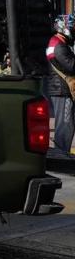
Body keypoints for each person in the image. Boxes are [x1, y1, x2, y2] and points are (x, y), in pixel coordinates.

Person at [45, 14, 75, 157]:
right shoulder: (59, 46)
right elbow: (71, 66)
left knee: (64, 124)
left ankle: (61, 155)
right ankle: (62, 157)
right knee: (65, 125)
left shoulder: (56, 43)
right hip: (62, 90)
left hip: (59, 89)